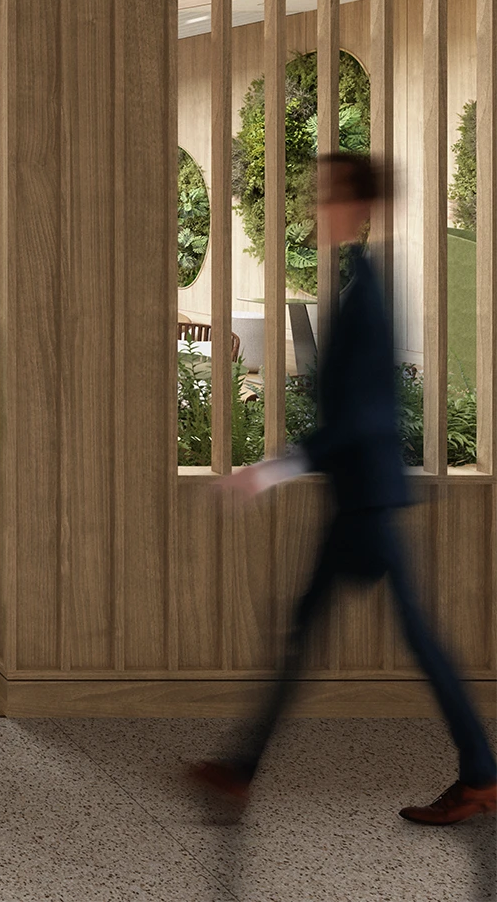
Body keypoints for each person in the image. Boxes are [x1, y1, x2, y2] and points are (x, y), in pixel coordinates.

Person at [191, 153, 497, 826]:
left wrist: (272, 470)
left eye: (329, 196)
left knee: (396, 637)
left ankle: (481, 773)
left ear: (358, 207)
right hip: (361, 497)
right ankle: (241, 770)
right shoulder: (359, 281)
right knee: (322, 629)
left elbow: (361, 416)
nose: (317, 207)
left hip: (366, 500)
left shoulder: (367, 292)